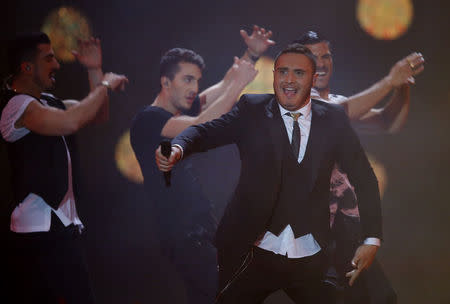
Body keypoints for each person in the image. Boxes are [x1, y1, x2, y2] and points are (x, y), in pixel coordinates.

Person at [156, 43, 382, 304]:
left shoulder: (333, 118)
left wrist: (372, 238)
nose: (288, 79)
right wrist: (177, 148)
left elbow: (364, 177)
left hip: (311, 254)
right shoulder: (253, 109)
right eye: (282, 71)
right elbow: (204, 132)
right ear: (274, 75)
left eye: (298, 73)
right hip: (253, 252)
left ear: (313, 78)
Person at [130, 25, 274, 304]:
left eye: (196, 80)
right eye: (187, 80)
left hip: (198, 229)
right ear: (166, 82)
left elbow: (220, 89)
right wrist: (239, 84)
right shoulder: (148, 119)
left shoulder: (176, 113)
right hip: (182, 233)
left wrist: (251, 55)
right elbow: (202, 124)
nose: (194, 88)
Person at [294, 31, 425, 304]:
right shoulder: (299, 105)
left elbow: (390, 122)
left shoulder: (339, 104)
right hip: (317, 230)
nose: (321, 62)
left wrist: (402, 86)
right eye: (312, 57)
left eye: (325, 55)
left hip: (347, 227)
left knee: (374, 297)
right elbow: (335, 114)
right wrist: (389, 80)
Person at [1, 32, 128, 304]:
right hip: (36, 233)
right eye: (48, 59)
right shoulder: (17, 106)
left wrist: (95, 70)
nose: (57, 65)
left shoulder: (49, 102)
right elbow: (70, 121)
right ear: (27, 67)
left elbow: (96, 113)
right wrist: (105, 83)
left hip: (59, 229)